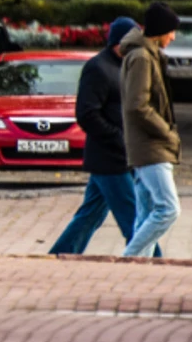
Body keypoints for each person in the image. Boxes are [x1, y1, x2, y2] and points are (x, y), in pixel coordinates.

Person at [48, 17, 158, 256]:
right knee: (137, 217)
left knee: (90, 216)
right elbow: (87, 115)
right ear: (118, 43)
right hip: (110, 159)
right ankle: (155, 263)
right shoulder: (97, 68)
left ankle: (59, 256)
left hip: (127, 156)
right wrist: (119, 137)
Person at [118, 2, 182, 257]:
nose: (173, 37)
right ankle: (129, 259)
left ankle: (137, 270)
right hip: (150, 146)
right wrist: (166, 132)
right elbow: (138, 105)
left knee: (145, 214)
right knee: (168, 209)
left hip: (147, 145)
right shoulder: (143, 57)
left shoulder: (147, 54)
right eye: (171, 31)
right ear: (160, 30)